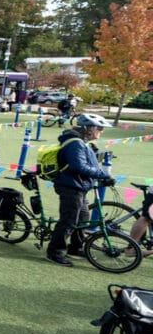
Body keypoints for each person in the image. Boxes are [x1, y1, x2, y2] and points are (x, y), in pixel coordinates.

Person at [46, 113, 114, 266]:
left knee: (83, 218)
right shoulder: (75, 143)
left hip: (79, 186)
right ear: (88, 128)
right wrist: (103, 175)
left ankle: (75, 248)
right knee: (69, 221)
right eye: (99, 128)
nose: (101, 131)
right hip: (71, 186)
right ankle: (54, 251)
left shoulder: (82, 142)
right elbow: (79, 166)